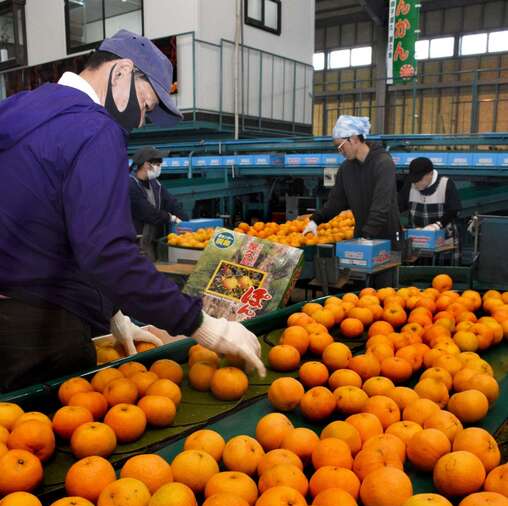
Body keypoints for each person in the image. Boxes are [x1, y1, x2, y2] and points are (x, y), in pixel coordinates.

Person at [0, 29, 264, 392]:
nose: (140, 120)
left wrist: (113, 311)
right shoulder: (94, 129)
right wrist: (203, 325)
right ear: (121, 72)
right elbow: (107, 252)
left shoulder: (19, 108)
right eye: (146, 104)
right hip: (41, 328)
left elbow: (51, 226)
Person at [304, 115, 400, 244]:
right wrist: (316, 220)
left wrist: (368, 235)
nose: (340, 151)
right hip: (361, 236)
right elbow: (336, 202)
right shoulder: (346, 168)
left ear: (354, 139)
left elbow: (381, 205)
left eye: (341, 146)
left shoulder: (383, 163)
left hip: (386, 239)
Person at [129, 146, 188, 261]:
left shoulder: (155, 184)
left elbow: (171, 203)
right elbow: (147, 212)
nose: (160, 166)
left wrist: (187, 223)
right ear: (147, 165)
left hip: (149, 242)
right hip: (133, 244)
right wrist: (171, 218)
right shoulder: (130, 186)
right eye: (158, 163)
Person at [398, 156, 462, 231]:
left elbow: (454, 211)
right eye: (414, 180)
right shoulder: (410, 185)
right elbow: (398, 206)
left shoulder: (446, 184)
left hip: (443, 236)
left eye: (419, 179)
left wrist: (437, 225)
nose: (416, 183)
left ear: (430, 174)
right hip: (417, 236)